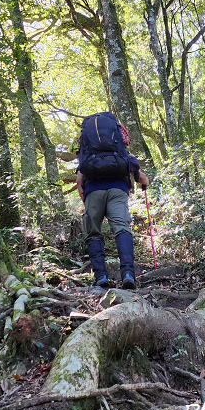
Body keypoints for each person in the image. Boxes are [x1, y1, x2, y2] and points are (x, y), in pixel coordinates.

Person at [75, 112, 149, 291]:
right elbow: (140, 175)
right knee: (122, 229)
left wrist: (85, 198)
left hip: (93, 191)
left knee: (93, 233)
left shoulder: (85, 147)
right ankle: (128, 275)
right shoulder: (121, 145)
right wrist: (143, 183)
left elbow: (79, 180)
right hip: (118, 189)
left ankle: (100, 277)